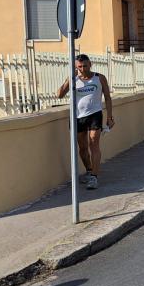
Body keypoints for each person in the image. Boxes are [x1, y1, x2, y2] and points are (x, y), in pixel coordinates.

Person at [56, 54, 114, 190]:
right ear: (76, 67)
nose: (82, 69)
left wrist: (110, 117)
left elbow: (107, 97)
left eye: (85, 66)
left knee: (94, 142)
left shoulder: (99, 78)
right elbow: (59, 95)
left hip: (95, 114)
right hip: (77, 117)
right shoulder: (73, 79)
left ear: (90, 64)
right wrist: (69, 79)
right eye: (79, 67)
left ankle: (94, 176)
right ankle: (89, 170)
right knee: (82, 147)